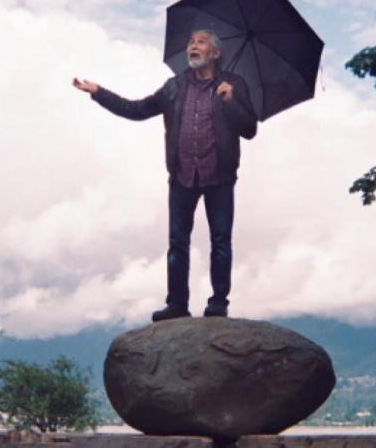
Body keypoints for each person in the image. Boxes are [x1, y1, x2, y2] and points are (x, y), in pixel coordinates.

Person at [72, 29, 257, 321]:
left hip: (219, 176)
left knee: (220, 240)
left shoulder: (234, 85)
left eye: (201, 42)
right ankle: (177, 304)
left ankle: (218, 301)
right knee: (177, 243)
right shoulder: (174, 87)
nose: (193, 46)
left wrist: (230, 101)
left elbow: (249, 130)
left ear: (216, 53)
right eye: (191, 42)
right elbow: (138, 109)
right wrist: (99, 93)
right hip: (183, 176)